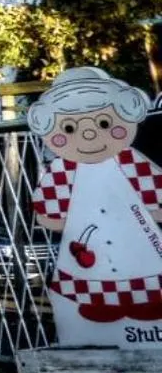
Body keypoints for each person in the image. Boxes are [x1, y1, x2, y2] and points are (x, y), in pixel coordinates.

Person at [28, 67, 162, 344]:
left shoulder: (130, 161)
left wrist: (152, 213)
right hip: (89, 237)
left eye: (102, 123)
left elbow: (153, 186)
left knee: (140, 266)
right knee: (94, 276)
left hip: (132, 230)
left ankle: (144, 309)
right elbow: (47, 206)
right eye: (70, 127)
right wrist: (66, 222)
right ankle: (99, 312)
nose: (88, 135)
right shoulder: (64, 169)